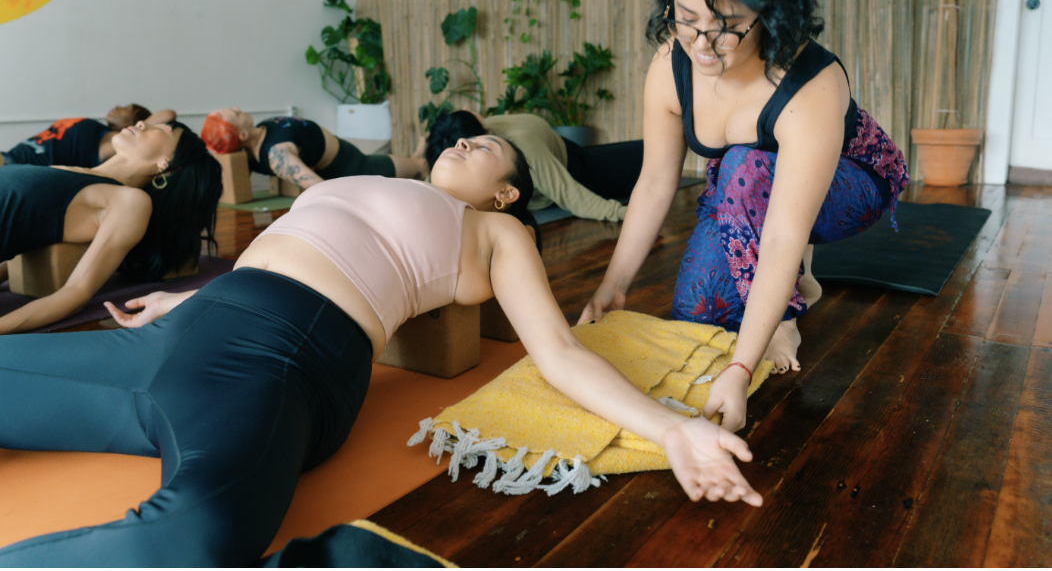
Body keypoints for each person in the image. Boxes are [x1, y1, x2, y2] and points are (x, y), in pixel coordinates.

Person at [0, 133, 761, 566]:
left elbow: (558, 352)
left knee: (199, 537)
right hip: (197, 327)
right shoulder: (371, 181)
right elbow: (297, 243)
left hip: (282, 360)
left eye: (489, 145)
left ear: (504, 195)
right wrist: (190, 296)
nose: (465, 137)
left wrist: (671, 428)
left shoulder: (496, 233)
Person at [578, 0, 909, 434]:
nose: (702, 46)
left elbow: (781, 234)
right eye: (686, 20)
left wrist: (739, 368)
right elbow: (657, 180)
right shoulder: (672, 63)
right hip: (746, 188)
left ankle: (789, 309)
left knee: (746, 166)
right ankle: (796, 285)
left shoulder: (810, 86)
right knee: (699, 307)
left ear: (769, 10)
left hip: (848, 181)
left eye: (726, 27)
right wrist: (613, 286)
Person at [0, 120, 221, 334]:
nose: (144, 122)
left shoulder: (130, 202)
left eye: (162, 130)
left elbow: (75, 294)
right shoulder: (78, 170)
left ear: (167, 163)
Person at [426, 109, 644, 222]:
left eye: (479, 141)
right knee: (644, 153)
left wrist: (633, 217)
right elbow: (571, 194)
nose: (462, 143)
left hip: (571, 158)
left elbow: (571, 193)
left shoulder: (505, 141)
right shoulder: (465, 154)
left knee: (646, 151)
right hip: (568, 164)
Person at [201, 108, 428, 190]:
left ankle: (415, 161)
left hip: (351, 155)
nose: (238, 108)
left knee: (402, 163)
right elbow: (319, 188)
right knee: (420, 167)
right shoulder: (277, 155)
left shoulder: (260, 132)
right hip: (351, 169)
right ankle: (420, 163)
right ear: (242, 135)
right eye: (235, 114)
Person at [0, 105, 177, 168]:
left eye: (127, 108)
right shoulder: (99, 129)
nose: (117, 106)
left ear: (138, 122)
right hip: (9, 156)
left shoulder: (112, 143)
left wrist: (141, 129)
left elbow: (168, 114)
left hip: (16, 167)